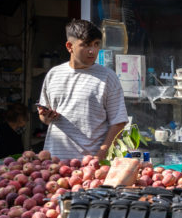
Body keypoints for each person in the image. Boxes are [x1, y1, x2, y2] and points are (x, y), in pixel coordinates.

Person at [37, 19, 128, 161]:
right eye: (85, 45)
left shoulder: (108, 77)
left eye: (96, 44)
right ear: (69, 46)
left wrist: (101, 155)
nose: (92, 51)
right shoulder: (54, 74)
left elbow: (119, 122)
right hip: (54, 163)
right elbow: (44, 117)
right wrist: (46, 116)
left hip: (89, 165)